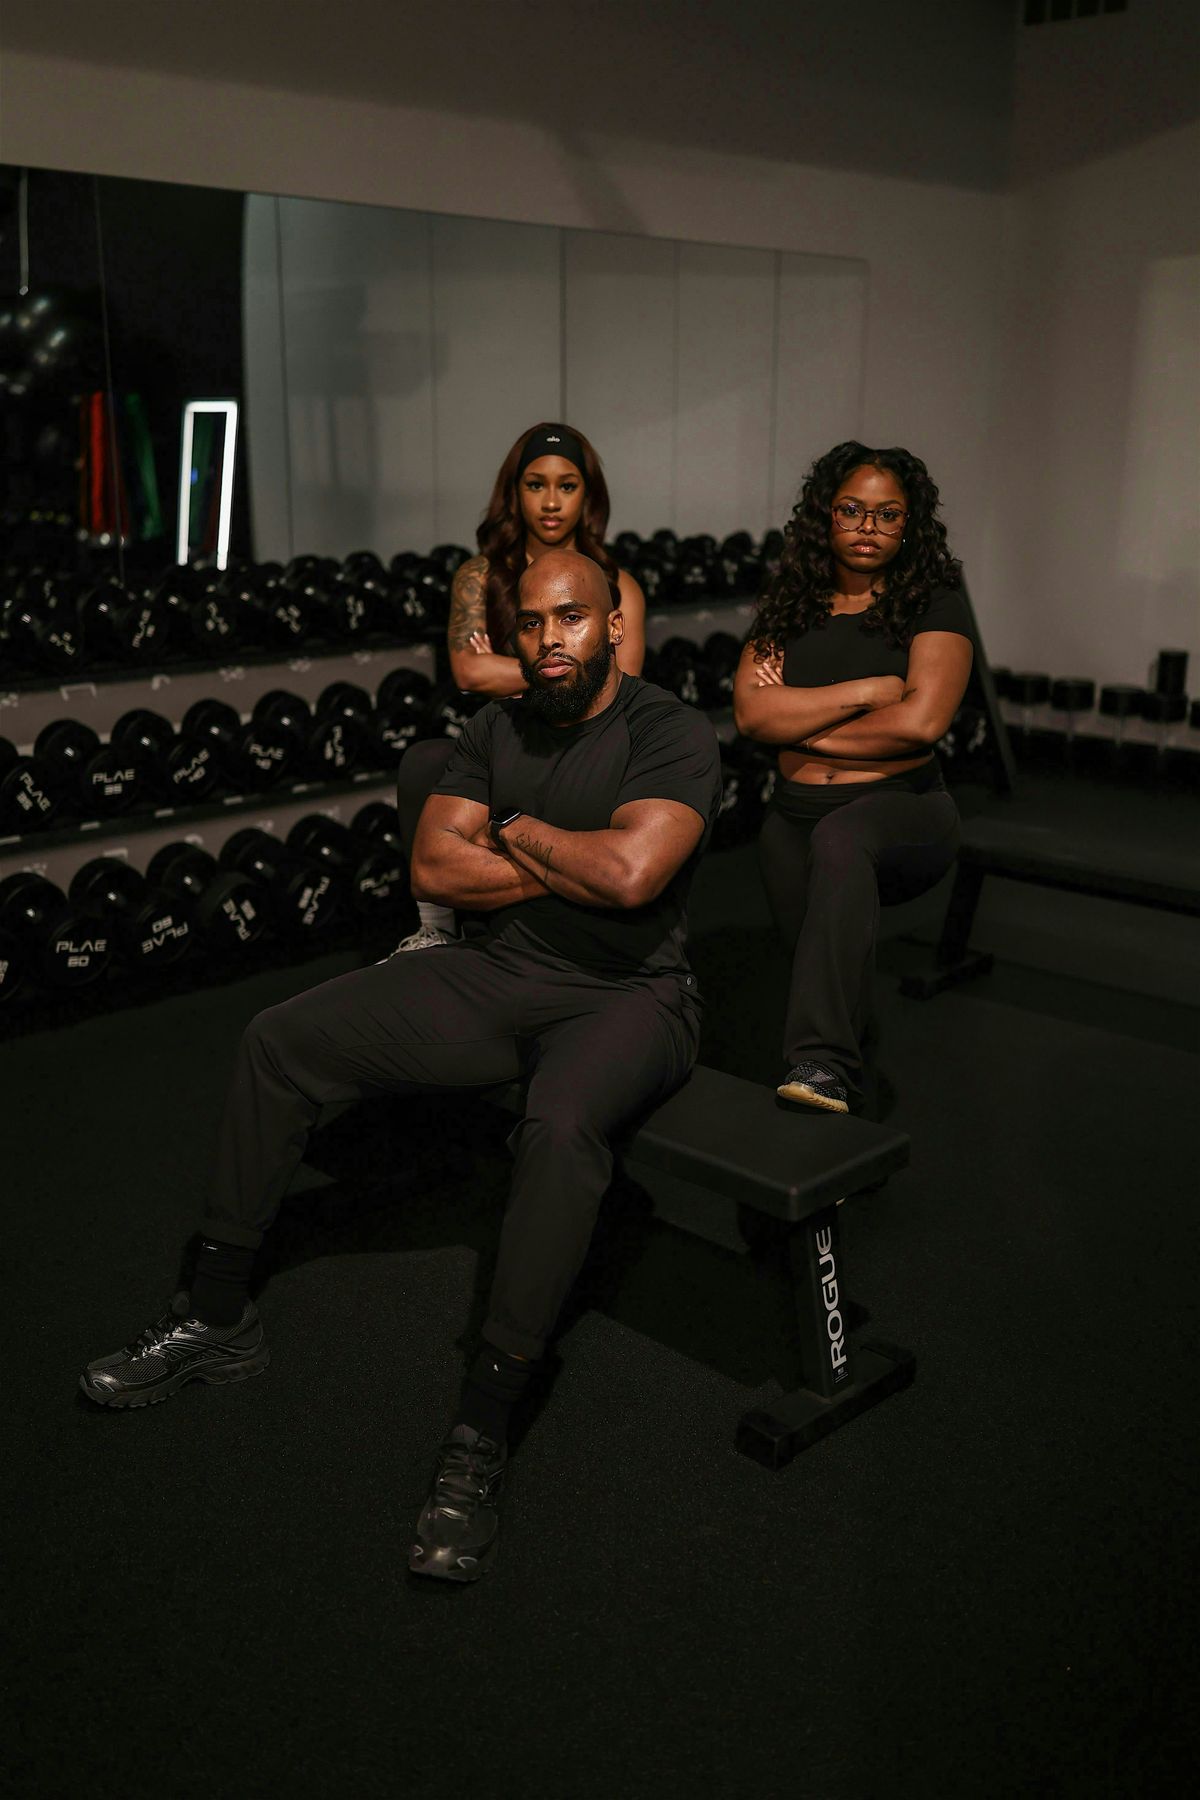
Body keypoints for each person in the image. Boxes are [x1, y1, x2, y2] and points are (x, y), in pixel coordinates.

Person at [81, 550, 721, 1585]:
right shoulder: (493, 729)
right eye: (531, 624)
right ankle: (215, 1314)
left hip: (633, 995)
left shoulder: (669, 731)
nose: (550, 640)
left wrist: (510, 831)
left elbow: (632, 873)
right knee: (279, 1039)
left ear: (612, 625)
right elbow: (432, 865)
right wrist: (557, 854)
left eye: (571, 618)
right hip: (499, 974)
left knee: (560, 1128)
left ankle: (484, 1424)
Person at [733, 441, 973, 1117]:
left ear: (910, 524)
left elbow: (920, 723)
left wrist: (800, 725)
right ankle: (846, 1062)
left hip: (901, 809)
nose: (868, 527)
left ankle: (824, 1067)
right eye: (852, 510)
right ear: (825, 514)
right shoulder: (790, 602)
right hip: (792, 815)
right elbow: (751, 713)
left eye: (888, 514)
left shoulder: (934, 602)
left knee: (843, 840)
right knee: (819, 967)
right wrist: (868, 691)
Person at [395, 421, 646, 951]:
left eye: (567, 485)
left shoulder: (617, 585)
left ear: (588, 496)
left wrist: (510, 670)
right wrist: (570, 668)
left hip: (583, 742)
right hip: (504, 739)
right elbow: (469, 672)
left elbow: (624, 679)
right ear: (514, 493)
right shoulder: (478, 577)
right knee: (423, 762)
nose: (551, 502)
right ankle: (436, 928)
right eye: (536, 485)